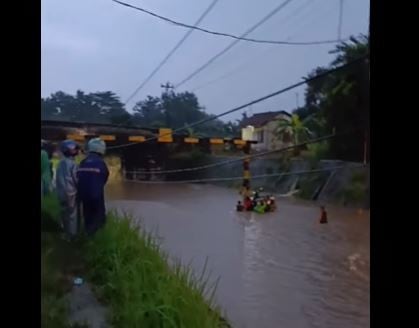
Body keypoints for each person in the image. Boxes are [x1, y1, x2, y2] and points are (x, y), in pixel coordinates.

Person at [77, 138, 109, 236]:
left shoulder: (83, 162)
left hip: (83, 195)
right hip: (96, 195)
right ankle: (93, 239)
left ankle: (86, 235)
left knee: (88, 216)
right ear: (102, 149)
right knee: (99, 218)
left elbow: (78, 177)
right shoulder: (101, 163)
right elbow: (105, 177)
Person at [56, 140, 80, 239]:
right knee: (72, 214)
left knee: (64, 212)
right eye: (75, 149)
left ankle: (65, 233)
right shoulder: (73, 164)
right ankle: (72, 236)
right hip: (71, 192)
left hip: (60, 192)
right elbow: (76, 179)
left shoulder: (60, 163)